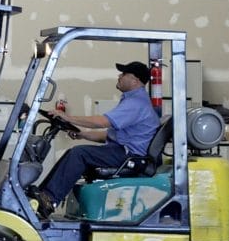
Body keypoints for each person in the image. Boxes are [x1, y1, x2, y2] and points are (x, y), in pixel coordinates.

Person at [33, 61, 160, 219]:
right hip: (122, 152)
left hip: (129, 157)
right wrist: (82, 134)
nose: (119, 76)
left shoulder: (136, 103)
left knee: (79, 154)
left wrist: (67, 117)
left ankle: (48, 201)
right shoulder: (132, 101)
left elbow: (101, 122)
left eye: (124, 74)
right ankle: (41, 197)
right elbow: (109, 135)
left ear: (135, 80)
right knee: (74, 153)